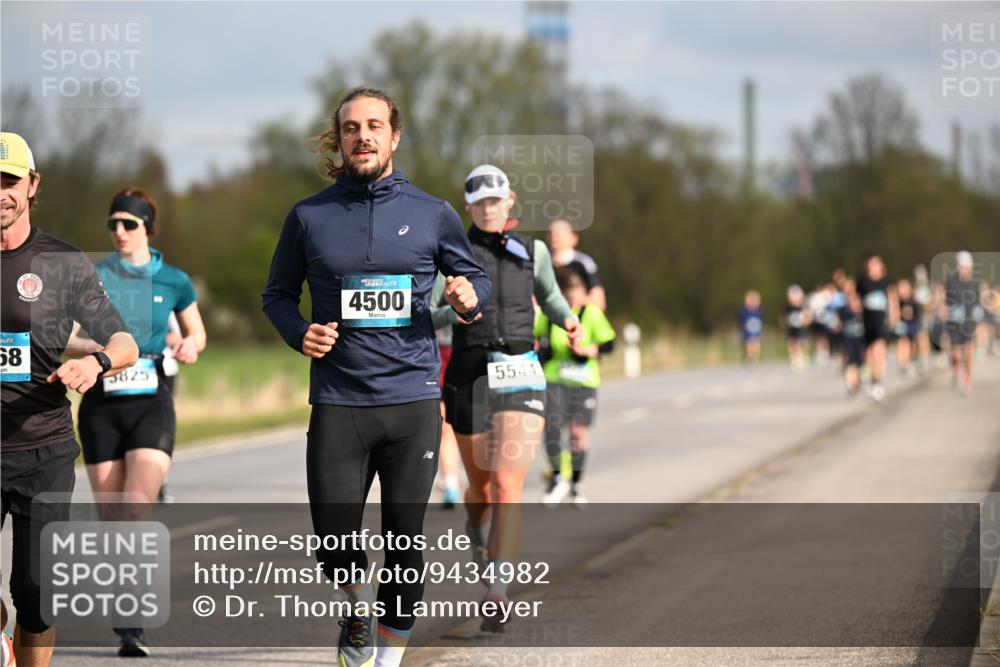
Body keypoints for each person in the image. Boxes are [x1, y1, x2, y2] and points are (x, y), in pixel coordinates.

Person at [262, 88, 491, 667]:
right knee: (334, 542)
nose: (361, 136)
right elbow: (279, 296)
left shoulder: (433, 212)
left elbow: (475, 281)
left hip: (411, 401)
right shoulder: (308, 216)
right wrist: (300, 333)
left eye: (373, 126)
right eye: (350, 128)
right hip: (339, 401)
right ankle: (356, 605)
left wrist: (467, 297)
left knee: (404, 543)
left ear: (394, 136)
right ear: (338, 140)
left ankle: (385, 659)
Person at [1, 131, 139, 667]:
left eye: (10, 181)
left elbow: (123, 340)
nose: (1, 193)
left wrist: (97, 361)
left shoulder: (62, 261)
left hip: (44, 450)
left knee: (36, 595)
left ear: (32, 186)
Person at [432, 164, 579, 632]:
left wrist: (569, 322)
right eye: (480, 202)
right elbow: (432, 312)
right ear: (469, 206)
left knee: (509, 484)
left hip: (520, 368)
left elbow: (551, 298)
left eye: (496, 200)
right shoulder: (451, 253)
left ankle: (498, 589)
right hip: (469, 370)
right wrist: (451, 307)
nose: (489, 208)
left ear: (510, 200)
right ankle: (476, 531)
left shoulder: (531, 251)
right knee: (482, 489)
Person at [70, 187, 206, 656]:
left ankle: (133, 620)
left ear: (148, 227)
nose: (120, 232)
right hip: (101, 406)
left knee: (133, 509)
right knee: (111, 520)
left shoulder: (174, 279)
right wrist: (95, 352)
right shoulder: (93, 275)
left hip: (151, 400)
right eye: (113, 224)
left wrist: (190, 346)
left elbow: (197, 333)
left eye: (129, 223)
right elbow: (64, 332)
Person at [537, 266, 616, 507]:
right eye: (567, 289)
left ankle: (577, 485)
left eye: (577, 289)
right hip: (554, 379)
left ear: (584, 291)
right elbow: (535, 336)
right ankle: (559, 476)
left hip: (583, 381)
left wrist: (589, 350)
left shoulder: (591, 313)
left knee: (577, 435)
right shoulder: (550, 314)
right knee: (551, 431)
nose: (572, 294)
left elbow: (609, 343)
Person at [856, 254, 897, 403]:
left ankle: (878, 382)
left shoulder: (886, 281)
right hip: (867, 322)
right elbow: (856, 298)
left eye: (878, 264)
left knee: (879, 349)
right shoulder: (863, 281)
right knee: (870, 352)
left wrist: (894, 314)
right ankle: (871, 378)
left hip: (881, 321)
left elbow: (893, 297)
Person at [944, 251, 982, 396]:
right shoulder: (950, 282)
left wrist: (978, 321)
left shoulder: (975, 283)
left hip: (969, 322)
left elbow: (979, 304)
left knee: (968, 353)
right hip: (954, 322)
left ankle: (968, 380)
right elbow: (945, 301)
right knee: (954, 354)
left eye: (966, 266)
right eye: (962, 266)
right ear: (957, 266)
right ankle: (956, 370)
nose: (964, 269)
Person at [548, 219, 606, 311]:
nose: (555, 237)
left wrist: (579, 300)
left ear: (573, 238)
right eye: (552, 233)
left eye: (560, 233)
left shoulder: (583, 264)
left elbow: (599, 302)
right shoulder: (542, 263)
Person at [836, 282, 866, 396]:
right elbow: (838, 323)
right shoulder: (842, 307)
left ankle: (857, 381)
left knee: (860, 362)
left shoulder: (862, 304)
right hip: (847, 338)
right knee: (849, 362)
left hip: (860, 338)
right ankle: (850, 384)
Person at [894, 278, 921, 375]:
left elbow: (917, 314)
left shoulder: (913, 301)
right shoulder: (897, 301)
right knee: (902, 342)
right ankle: (902, 363)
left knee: (911, 343)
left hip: (912, 324)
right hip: (902, 325)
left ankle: (913, 360)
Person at [784, 284, 809, 371]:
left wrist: (805, 322)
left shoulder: (803, 307)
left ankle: (801, 356)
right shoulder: (788, 308)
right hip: (792, 327)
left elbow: (807, 316)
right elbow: (784, 317)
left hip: (800, 327)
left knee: (801, 341)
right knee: (792, 341)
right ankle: (793, 358)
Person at [738, 289, 763, 365]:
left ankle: (755, 357)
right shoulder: (744, 311)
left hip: (756, 330)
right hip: (747, 330)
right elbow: (741, 320)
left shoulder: (759, 311)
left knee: (756, 343)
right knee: (748, 343)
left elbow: (761, 321)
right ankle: (749, 356)